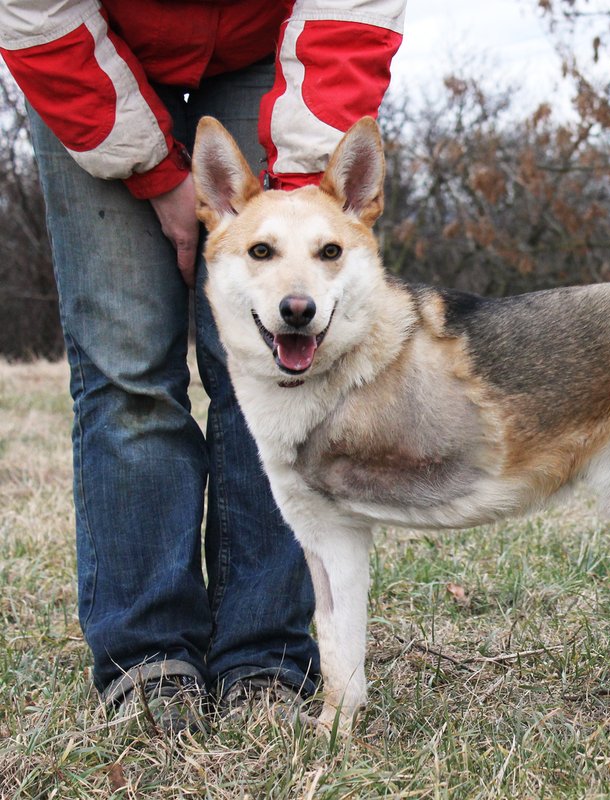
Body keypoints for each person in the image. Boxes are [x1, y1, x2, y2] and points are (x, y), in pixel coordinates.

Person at [0, 0, 407, 733]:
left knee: (273, 379)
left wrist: (285, 208)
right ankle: (147, 658)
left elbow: (352, 12)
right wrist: (156, 175)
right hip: (84, 43)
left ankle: (264, 657)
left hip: (265, 42)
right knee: (126, 374)